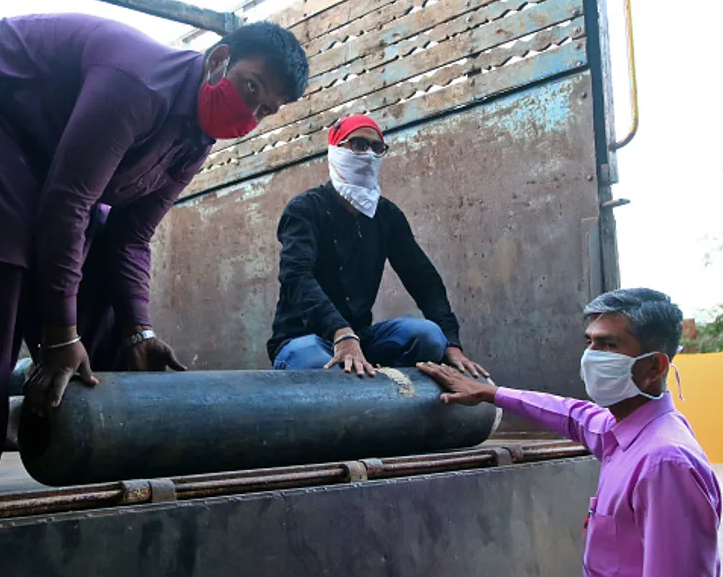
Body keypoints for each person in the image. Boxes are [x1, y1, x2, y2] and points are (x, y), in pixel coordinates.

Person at [0, 14, 308, 496]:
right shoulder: (139, 83)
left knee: (97, 267)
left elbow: (129, 238)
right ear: (219, 60)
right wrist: (61, 334)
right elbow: (68, 203)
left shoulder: (193, 144)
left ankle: (94, 426)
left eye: (266, 110)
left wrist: (137, 329)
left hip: (33, 146)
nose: (250, 115)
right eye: (251, 88)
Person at [419, 288, 721, 577]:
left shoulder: (664, 463)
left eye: (609, 345)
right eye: (589, 342)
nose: (591, 356)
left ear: (654, 367)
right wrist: (491, 393)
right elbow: (572, 414)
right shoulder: (623, 431)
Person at [268, 114, 487, 378]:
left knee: (429, 337)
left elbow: (423, 279)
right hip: (304, 339)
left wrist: (451, 343)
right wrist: (340, 331)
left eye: (377, 147)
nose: (369, 154)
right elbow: (296, 276)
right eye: (358, 144)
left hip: (361, 338)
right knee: (323, 366)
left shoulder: (386, 215)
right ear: (337, 150)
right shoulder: (305, 209)